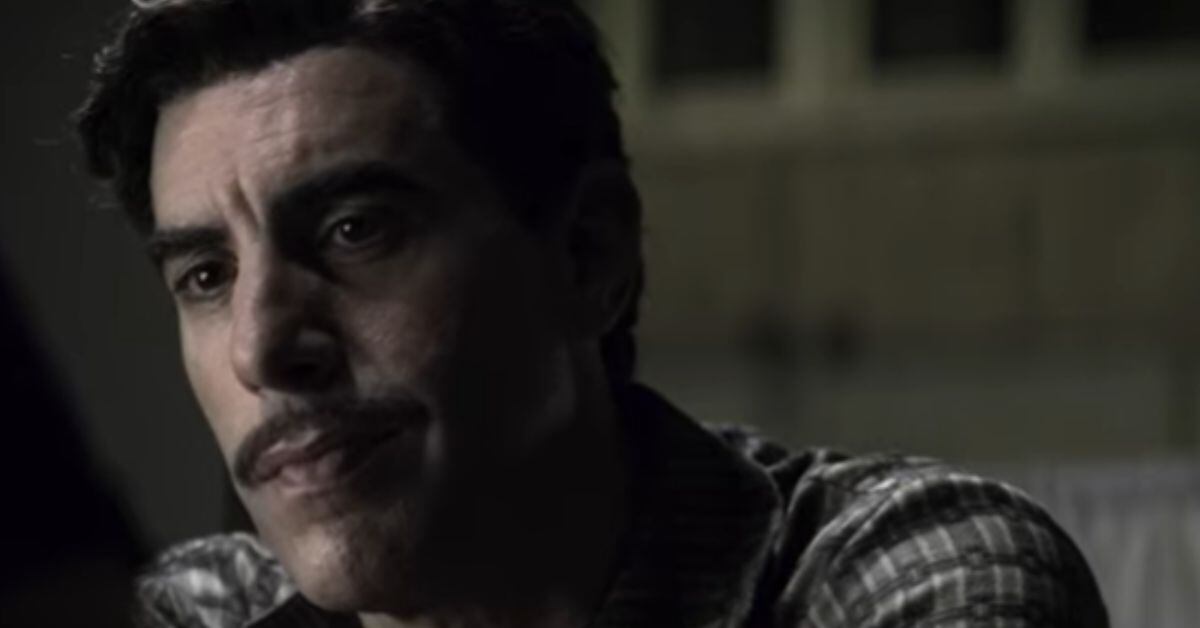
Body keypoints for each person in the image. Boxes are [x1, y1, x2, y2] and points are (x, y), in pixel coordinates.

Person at [75, 1, 1109, 626]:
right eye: (204, 276)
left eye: (356, 231)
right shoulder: (190, 608)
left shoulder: (906, 574)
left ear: (588, 255)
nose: (261, 345)